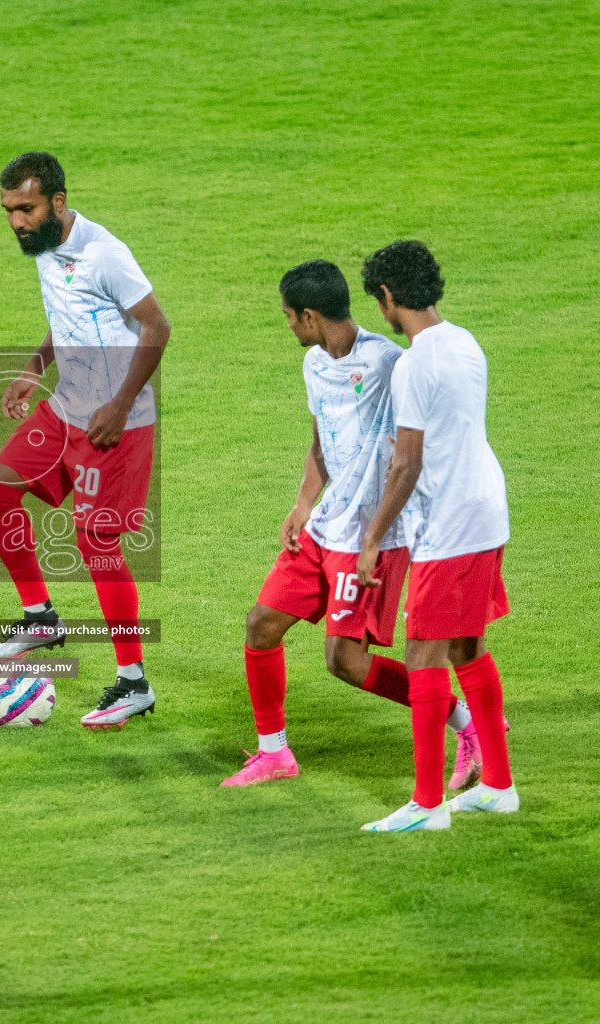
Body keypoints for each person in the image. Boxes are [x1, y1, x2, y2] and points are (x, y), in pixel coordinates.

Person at [223, 260, 482, 787]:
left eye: (290, 317)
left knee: (346, 662)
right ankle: (275, 754)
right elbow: (323, 440)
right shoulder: (314, 364)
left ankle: (468, 724)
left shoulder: (390, 364)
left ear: (311, 315)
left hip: (373, 536)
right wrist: (302, 504)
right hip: (324, 528)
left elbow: (418, 446)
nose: (288, 326)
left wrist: (381, 533)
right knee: (261, 624)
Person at [0, 151, 171, 730]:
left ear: (57, 203)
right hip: (67, 409)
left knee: (97, 546)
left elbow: (158, 327)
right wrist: (35, 366)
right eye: (9, 210)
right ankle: (41, 619)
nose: (16, 221)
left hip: (117, 421)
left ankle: (133, 683)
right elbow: (67, 315)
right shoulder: (43, 246)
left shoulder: (105, 256)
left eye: (26, 209)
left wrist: (117, 405)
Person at [354, 240, 516, 833]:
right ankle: (498, 786)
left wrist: (373, 537)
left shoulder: (415, 363)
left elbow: (407, 464)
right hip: (486, 509)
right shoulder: (465, 341)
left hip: (451, 525)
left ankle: (426, 806)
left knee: (423, 651)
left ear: (389, 296)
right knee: (466, 645)